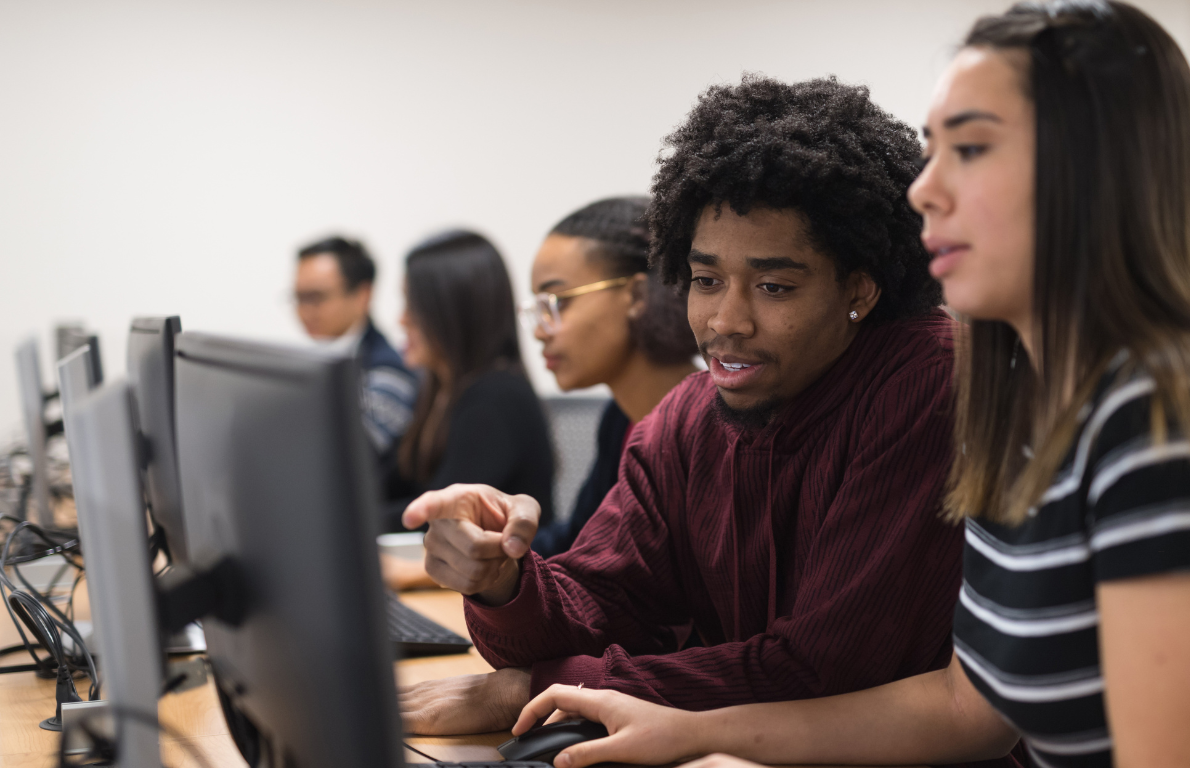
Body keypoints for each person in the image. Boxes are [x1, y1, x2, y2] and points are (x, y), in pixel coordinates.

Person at [508, 3, 1190, 768]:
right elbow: (965, 708)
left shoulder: (1176, 417)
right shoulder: (1023, 399)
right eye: (934, 148)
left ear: (1088, 179)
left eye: (973, 149)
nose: (926, 189)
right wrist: (696, 731)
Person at [396, 77, 1018, 768]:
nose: (726, 322)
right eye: (706, 279)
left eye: (775, 286)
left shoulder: (930, 384)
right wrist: (501, 578)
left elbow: (822, 673)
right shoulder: (690, 418)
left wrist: (541, 689)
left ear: (860, 288)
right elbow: (600, 602)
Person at [525, 196, 698, 558]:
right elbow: (579, 541)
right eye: (537, 309)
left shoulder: (707, 429)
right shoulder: (619, 418)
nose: (540, 332)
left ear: (636, 294)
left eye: (558, 301)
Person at [380, 230, 555, 534]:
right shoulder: (438, 390)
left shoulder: (498, 398)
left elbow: (435, 517)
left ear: (451, 312)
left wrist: (337, 522)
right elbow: (390, 484)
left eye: (413, 305)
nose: (401, 320)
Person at [294, 236, 416, 464]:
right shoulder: (315, 361)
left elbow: (352, 457)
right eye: (299, 297)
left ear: (363, 295)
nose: (304, 310)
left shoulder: (387, 372)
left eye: (316, 297)